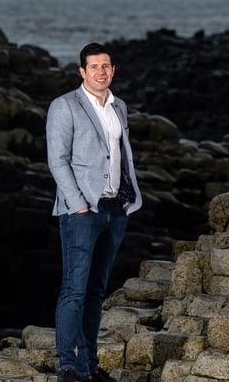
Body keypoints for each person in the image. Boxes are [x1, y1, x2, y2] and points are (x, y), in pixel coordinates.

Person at [46, 42, 142, 382]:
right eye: (94, 67)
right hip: (81, 212)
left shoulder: (119, 107)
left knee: (96, 291)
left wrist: (128, 202)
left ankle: (89, 365)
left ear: (112, 70)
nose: (101, 72)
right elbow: (57, 160)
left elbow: (120, 157)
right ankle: (66, 365)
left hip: (115, 210)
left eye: (106, 66)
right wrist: (79, 205)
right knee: (74, 289)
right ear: (82, 72)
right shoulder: (64, 106)